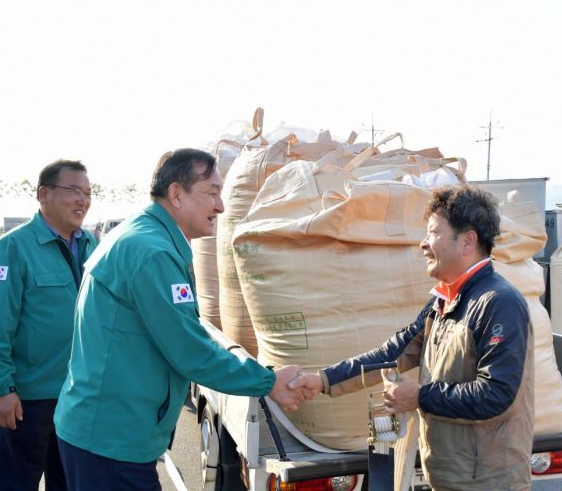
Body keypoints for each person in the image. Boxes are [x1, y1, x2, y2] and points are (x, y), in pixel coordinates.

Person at [53, 148, 307, 490]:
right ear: (176, 194)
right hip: (112, 439)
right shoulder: (152, 252)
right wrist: (268, 382)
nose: (220, 206)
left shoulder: (144, 238)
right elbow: (190, 352)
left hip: (106, 430)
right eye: (212, 193)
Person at [290, 185, 534, 491]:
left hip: (488, 482)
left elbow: (496, 394)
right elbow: (393, 352)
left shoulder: (498, 303)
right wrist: (323, 380)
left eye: (433, 232)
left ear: (467, 241)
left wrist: (420, 396)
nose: (423, 244)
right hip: (451, 477)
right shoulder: (443, 303)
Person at [0, 160, 97, 490]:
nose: (82, 200)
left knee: (69, 482)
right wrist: (0, 389)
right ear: (43, 194)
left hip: (78, 396)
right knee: (19, 484)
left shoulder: (93, 248)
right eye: (73, 191)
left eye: (88, 193)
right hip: (28, 399)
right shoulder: (11, 249)